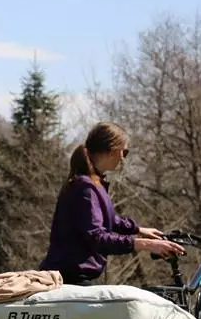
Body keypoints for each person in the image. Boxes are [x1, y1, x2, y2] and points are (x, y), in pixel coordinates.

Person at [40, 121, 184, 285]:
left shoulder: (92, 184)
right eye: (124, 151)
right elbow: (96, 237)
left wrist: (138, 230)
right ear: (111, 150)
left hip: (74, 276)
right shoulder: (85, 188)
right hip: (69, 277)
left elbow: (107, 219)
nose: (123, 158)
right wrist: (145, 244)